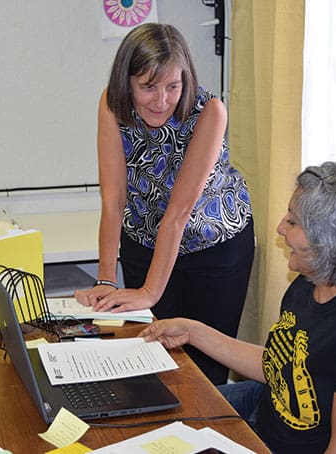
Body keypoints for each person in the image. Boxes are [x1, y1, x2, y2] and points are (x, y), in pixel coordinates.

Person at [139, 162, 336, 453]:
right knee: (144, 422)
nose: (281, 228)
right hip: (261, 413)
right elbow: (275, 365)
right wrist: (192, 331)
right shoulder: (309, 284)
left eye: (293, 222)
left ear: (332, 240)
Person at [74, 23, 254, 385]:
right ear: (128, 82)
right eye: (148, 87)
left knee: (204, 372)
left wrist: (149, 292)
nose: (161, 100)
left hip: (213, 247)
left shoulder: (210, 111)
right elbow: (113, 198)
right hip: (145, 240)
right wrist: (107, 279)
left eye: (173, 86)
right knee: (153, 357)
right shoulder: (112, 104)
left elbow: (178, 213)